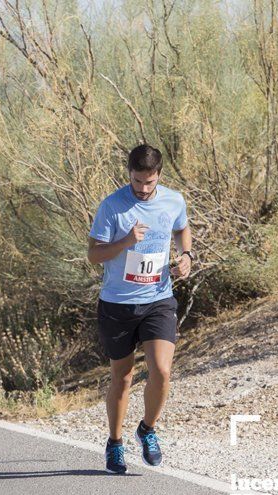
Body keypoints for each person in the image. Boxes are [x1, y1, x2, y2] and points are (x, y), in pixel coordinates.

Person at [87, 144, 192, 475]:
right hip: (118, 304)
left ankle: (147, 429)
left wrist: (186, 256)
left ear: (159, 174)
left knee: (161, 370)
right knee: (124, 376)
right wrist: (125, 242)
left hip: (158, 299)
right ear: (128, 173)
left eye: (148, 182)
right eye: (137, 181)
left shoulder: (173, 200)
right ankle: (115, 443)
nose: (143, 189)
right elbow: (94, 254)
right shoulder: (113, 206)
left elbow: (181, 228)